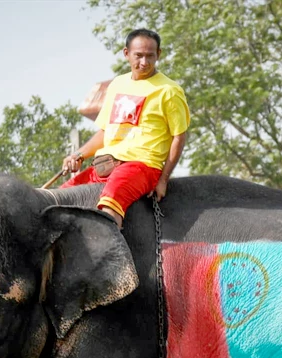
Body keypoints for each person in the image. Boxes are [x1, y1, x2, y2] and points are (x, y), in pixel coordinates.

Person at [59, 28, 189, 229]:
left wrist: (163, 179)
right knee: (61, 198)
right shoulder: (117, 84)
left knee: (110, 202)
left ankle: (114, 260)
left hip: (142, 165)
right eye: (138, 56)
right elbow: (105, 132)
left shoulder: (169, 91)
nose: (144, 62)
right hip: (106, 165)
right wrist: (78, 155)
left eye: (150, 56)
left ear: (159, 55)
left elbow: (179, 136)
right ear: (126, 54)